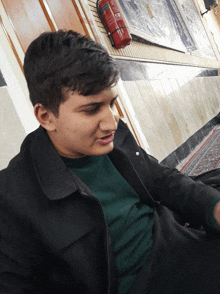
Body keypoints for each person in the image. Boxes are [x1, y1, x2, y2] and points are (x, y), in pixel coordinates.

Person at [0, 30, 220, 294]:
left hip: (177, 243)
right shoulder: (12, 197)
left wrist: (214, 206)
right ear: (46, 116)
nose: (111, 122)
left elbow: (161, 179)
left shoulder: (116, 135)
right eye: (91, 109)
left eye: (112, 104)